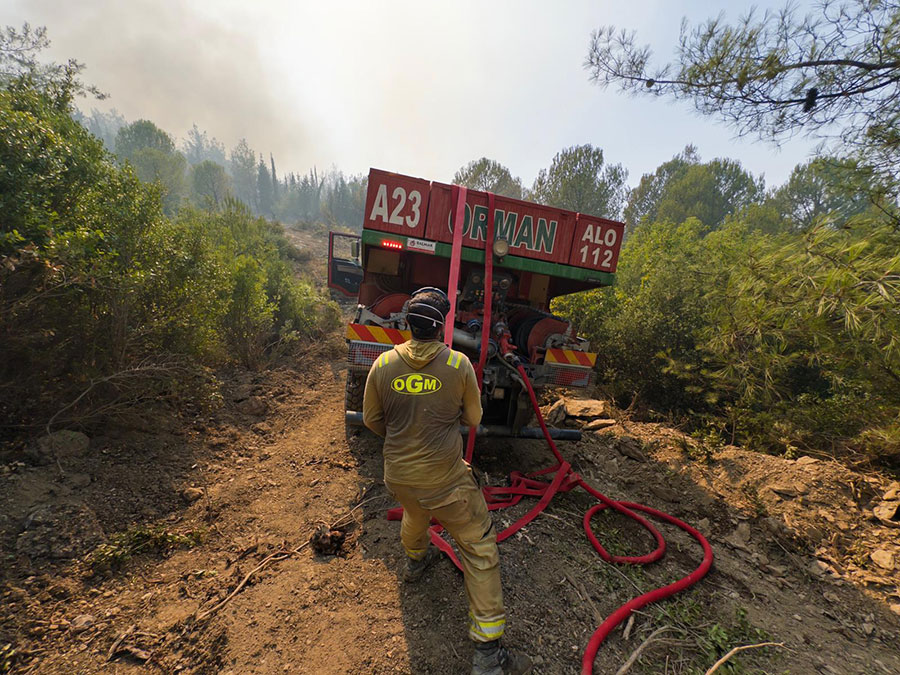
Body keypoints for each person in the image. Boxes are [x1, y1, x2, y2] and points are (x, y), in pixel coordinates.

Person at [363, 287, 532, 675]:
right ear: (443, 328)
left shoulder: (382, 365)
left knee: (415, 512)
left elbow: (373, 421)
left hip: (400, 476)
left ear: (407, 323)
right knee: (479, 546)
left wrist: (404, 432)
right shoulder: (458, 366)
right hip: (446, 481)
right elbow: (474, 419)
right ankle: (488, 655)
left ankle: (415, 562)